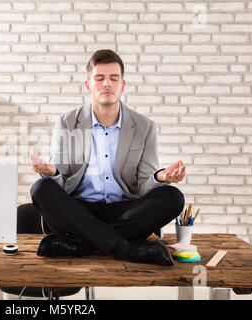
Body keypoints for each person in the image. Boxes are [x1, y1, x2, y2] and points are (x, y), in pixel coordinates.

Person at [29, 49, 186, 266]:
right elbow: (62, 182)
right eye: (100, 78)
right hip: (79, 210)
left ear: (123, 85)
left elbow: (142, 187)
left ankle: (82, 244)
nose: (107, 84)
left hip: (125, 212)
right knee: (41, 188)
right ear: (88, 85)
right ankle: (126, 248)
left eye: (114, 78)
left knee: (173, 197)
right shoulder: (66, 122)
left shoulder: (144, 126)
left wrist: (160, 177)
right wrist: (51, 173)